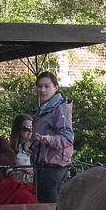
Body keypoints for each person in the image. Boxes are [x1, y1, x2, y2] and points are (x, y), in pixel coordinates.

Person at [30, 71, 74, 203]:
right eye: (39, 86)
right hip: (43, 166)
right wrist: (31, 144)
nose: (42, 90)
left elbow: (67, 138)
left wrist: (49, 139)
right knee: (44, 208)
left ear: (56, 87)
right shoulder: (45, 107)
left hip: (54, 167)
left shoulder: (61, 108)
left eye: (47, 86)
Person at [8, 114, 35, 185]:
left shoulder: (36, 147)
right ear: (18, 130)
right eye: (26, 128)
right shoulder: (11, 149)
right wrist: (21, 169)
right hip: (21, 185)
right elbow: (8, 171)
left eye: (32, 128)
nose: (30, 131)